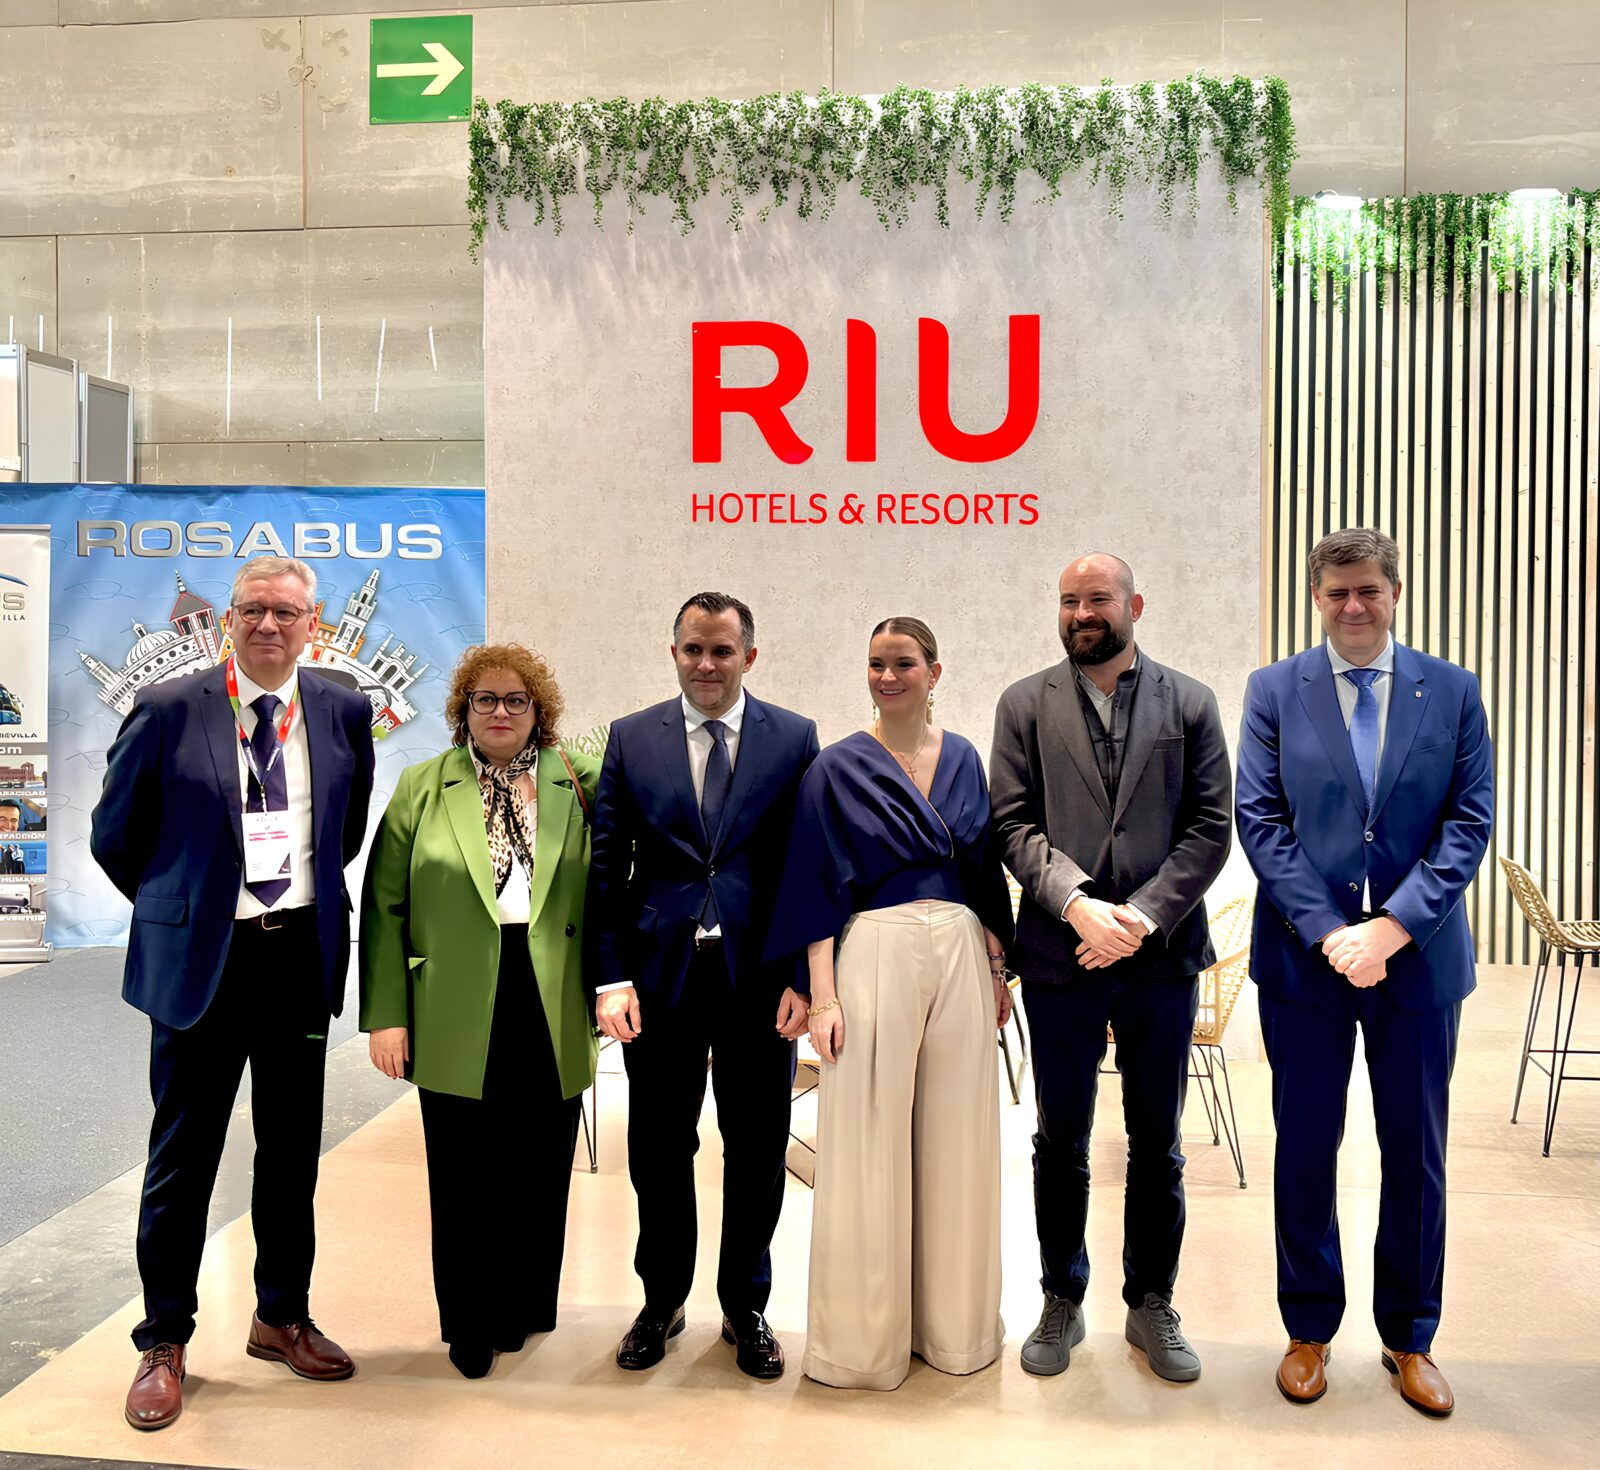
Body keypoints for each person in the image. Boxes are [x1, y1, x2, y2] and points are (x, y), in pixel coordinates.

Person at [90, 555, 375, 1431]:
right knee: (184, 1157)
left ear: (312, 624)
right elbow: (115, 836)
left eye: (286, 613)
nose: (268, 625)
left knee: (291, 1155)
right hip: (202, 966)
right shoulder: (170, 710)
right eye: (252, 609)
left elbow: (347, 822)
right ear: (230, 621)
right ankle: (164, 1338)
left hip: (298, 958)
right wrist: (188, 905)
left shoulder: (341, 707)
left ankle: (280, 1315)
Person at [1235, 528, 1493, 1418]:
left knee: (1414, 1155)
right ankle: (1308, 1328)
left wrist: (1390, 929)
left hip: (1418, 967)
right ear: (1318, 596)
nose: (1355, 606)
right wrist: (1328, 930)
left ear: (1394, 593)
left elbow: (1469, 823)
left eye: (1370, 591)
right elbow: (1261, 820)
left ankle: (1409, 1338)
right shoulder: (1275, 690)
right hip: (1307, 966)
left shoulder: (1452, 691)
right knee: (1306, 1146)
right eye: (1339, 591)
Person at [990, 553, 1231, 1384]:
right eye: (1068, 600)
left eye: (1097, 598)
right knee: (1060, 1139)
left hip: (1159, 958)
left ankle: (1151, 1301)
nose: (1081, 611)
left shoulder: (1191, 701)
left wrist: (1141, 917)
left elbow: (1210, 827)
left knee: (1157, 1142)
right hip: (1061, 953)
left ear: (1135, 603)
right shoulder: (1023, 703)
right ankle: (1062, 1296)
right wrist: (1079, 903)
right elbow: (1012, 824)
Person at [769, 617, 1014, 1391]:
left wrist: (999, 968)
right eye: (875, 663)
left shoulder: (967, 758)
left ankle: (955, 1332)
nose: (886, 675)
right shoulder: (835, 766)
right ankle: (862, 1344)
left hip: (963, 952)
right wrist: (822, 998)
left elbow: (983, 869)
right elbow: (813, 880)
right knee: (867, 1142)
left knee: (960, 1143)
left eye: (902, 663)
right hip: (870, 950)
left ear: (934, 671)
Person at [588, 592, 819, 1379]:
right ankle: (661, 1300)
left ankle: (745, 1305)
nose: (706, 664)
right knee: (658, 1147)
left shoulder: (793, 738)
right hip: (660, 981)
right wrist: (611, 974)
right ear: (674, 652)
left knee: (756, 1149)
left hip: (759, 981)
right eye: (693, 649)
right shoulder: (631, 738)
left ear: (749, 656)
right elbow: (606, 867)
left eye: (722, 651)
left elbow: (803, 867)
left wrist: (802, 978)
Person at [360, 643, 600, 1380]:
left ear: (540, 712)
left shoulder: (582, 783)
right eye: (484, 700)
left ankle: (524, 1305)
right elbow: (385, 905)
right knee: (463, 1171)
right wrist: (387, 1016)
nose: (500, 713)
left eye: (515, 701)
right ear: (463, 710)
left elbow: (621, 891)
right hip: (453, 999)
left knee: (538, 1163)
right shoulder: (422, 786)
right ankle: (468, 1319)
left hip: (552, 994)